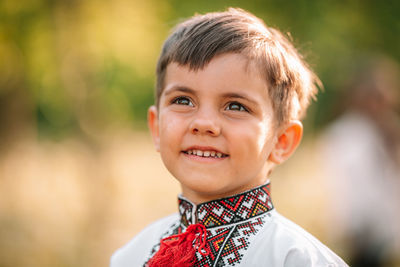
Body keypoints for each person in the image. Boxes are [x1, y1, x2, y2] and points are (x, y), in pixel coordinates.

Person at [111, 8, 347, 267]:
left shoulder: (297, 260)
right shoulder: (132, 256)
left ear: (282, 141)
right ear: (156, 128)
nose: (204, 124)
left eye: (235, 106)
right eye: (183, 101)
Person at [318, 54, 400, 267]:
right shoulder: (345, 135)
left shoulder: (389, 132)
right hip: (359, 228)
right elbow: (342, 184)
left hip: (386, 226)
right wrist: (349, 224)